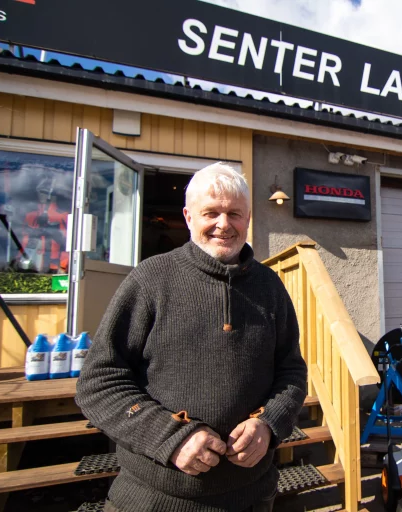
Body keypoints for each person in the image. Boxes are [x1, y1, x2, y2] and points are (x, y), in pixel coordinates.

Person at [76, 162, 307, 512]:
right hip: (153, 501)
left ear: (247, 218)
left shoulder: (270, 287)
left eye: (234, 213)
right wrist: (171, 438)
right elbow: (98, 382)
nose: (223, 224)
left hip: (252, 497)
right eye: (210, 213)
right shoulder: (150, 280)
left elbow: (291, 372)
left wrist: (269, 423)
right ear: (188, 217)